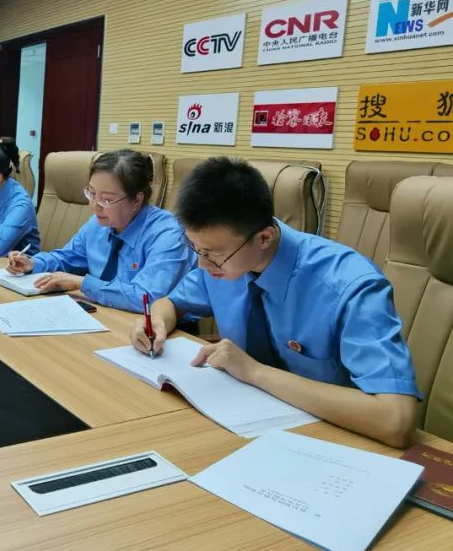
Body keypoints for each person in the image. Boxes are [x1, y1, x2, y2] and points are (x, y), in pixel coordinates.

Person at [130, 156, 420, 448]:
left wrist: (254, 372)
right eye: (196, 249)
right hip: (244, 422)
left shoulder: (348, 285)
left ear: (264, 238)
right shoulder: (225, 262)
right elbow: (171, 303)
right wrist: (156, 322)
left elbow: (395, 420)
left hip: (331, 439)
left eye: (213, 254)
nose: (203, 265)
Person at [6, 149, 193, 312]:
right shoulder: (98, 224)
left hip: (158, 329)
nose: (95, 206)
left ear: (136, 199)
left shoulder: (167, 234)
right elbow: (67, 258)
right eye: (92, 193)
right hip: (106, 313)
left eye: (107, 199)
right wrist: (33, 263)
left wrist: (81, 283)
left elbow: (146, 298)